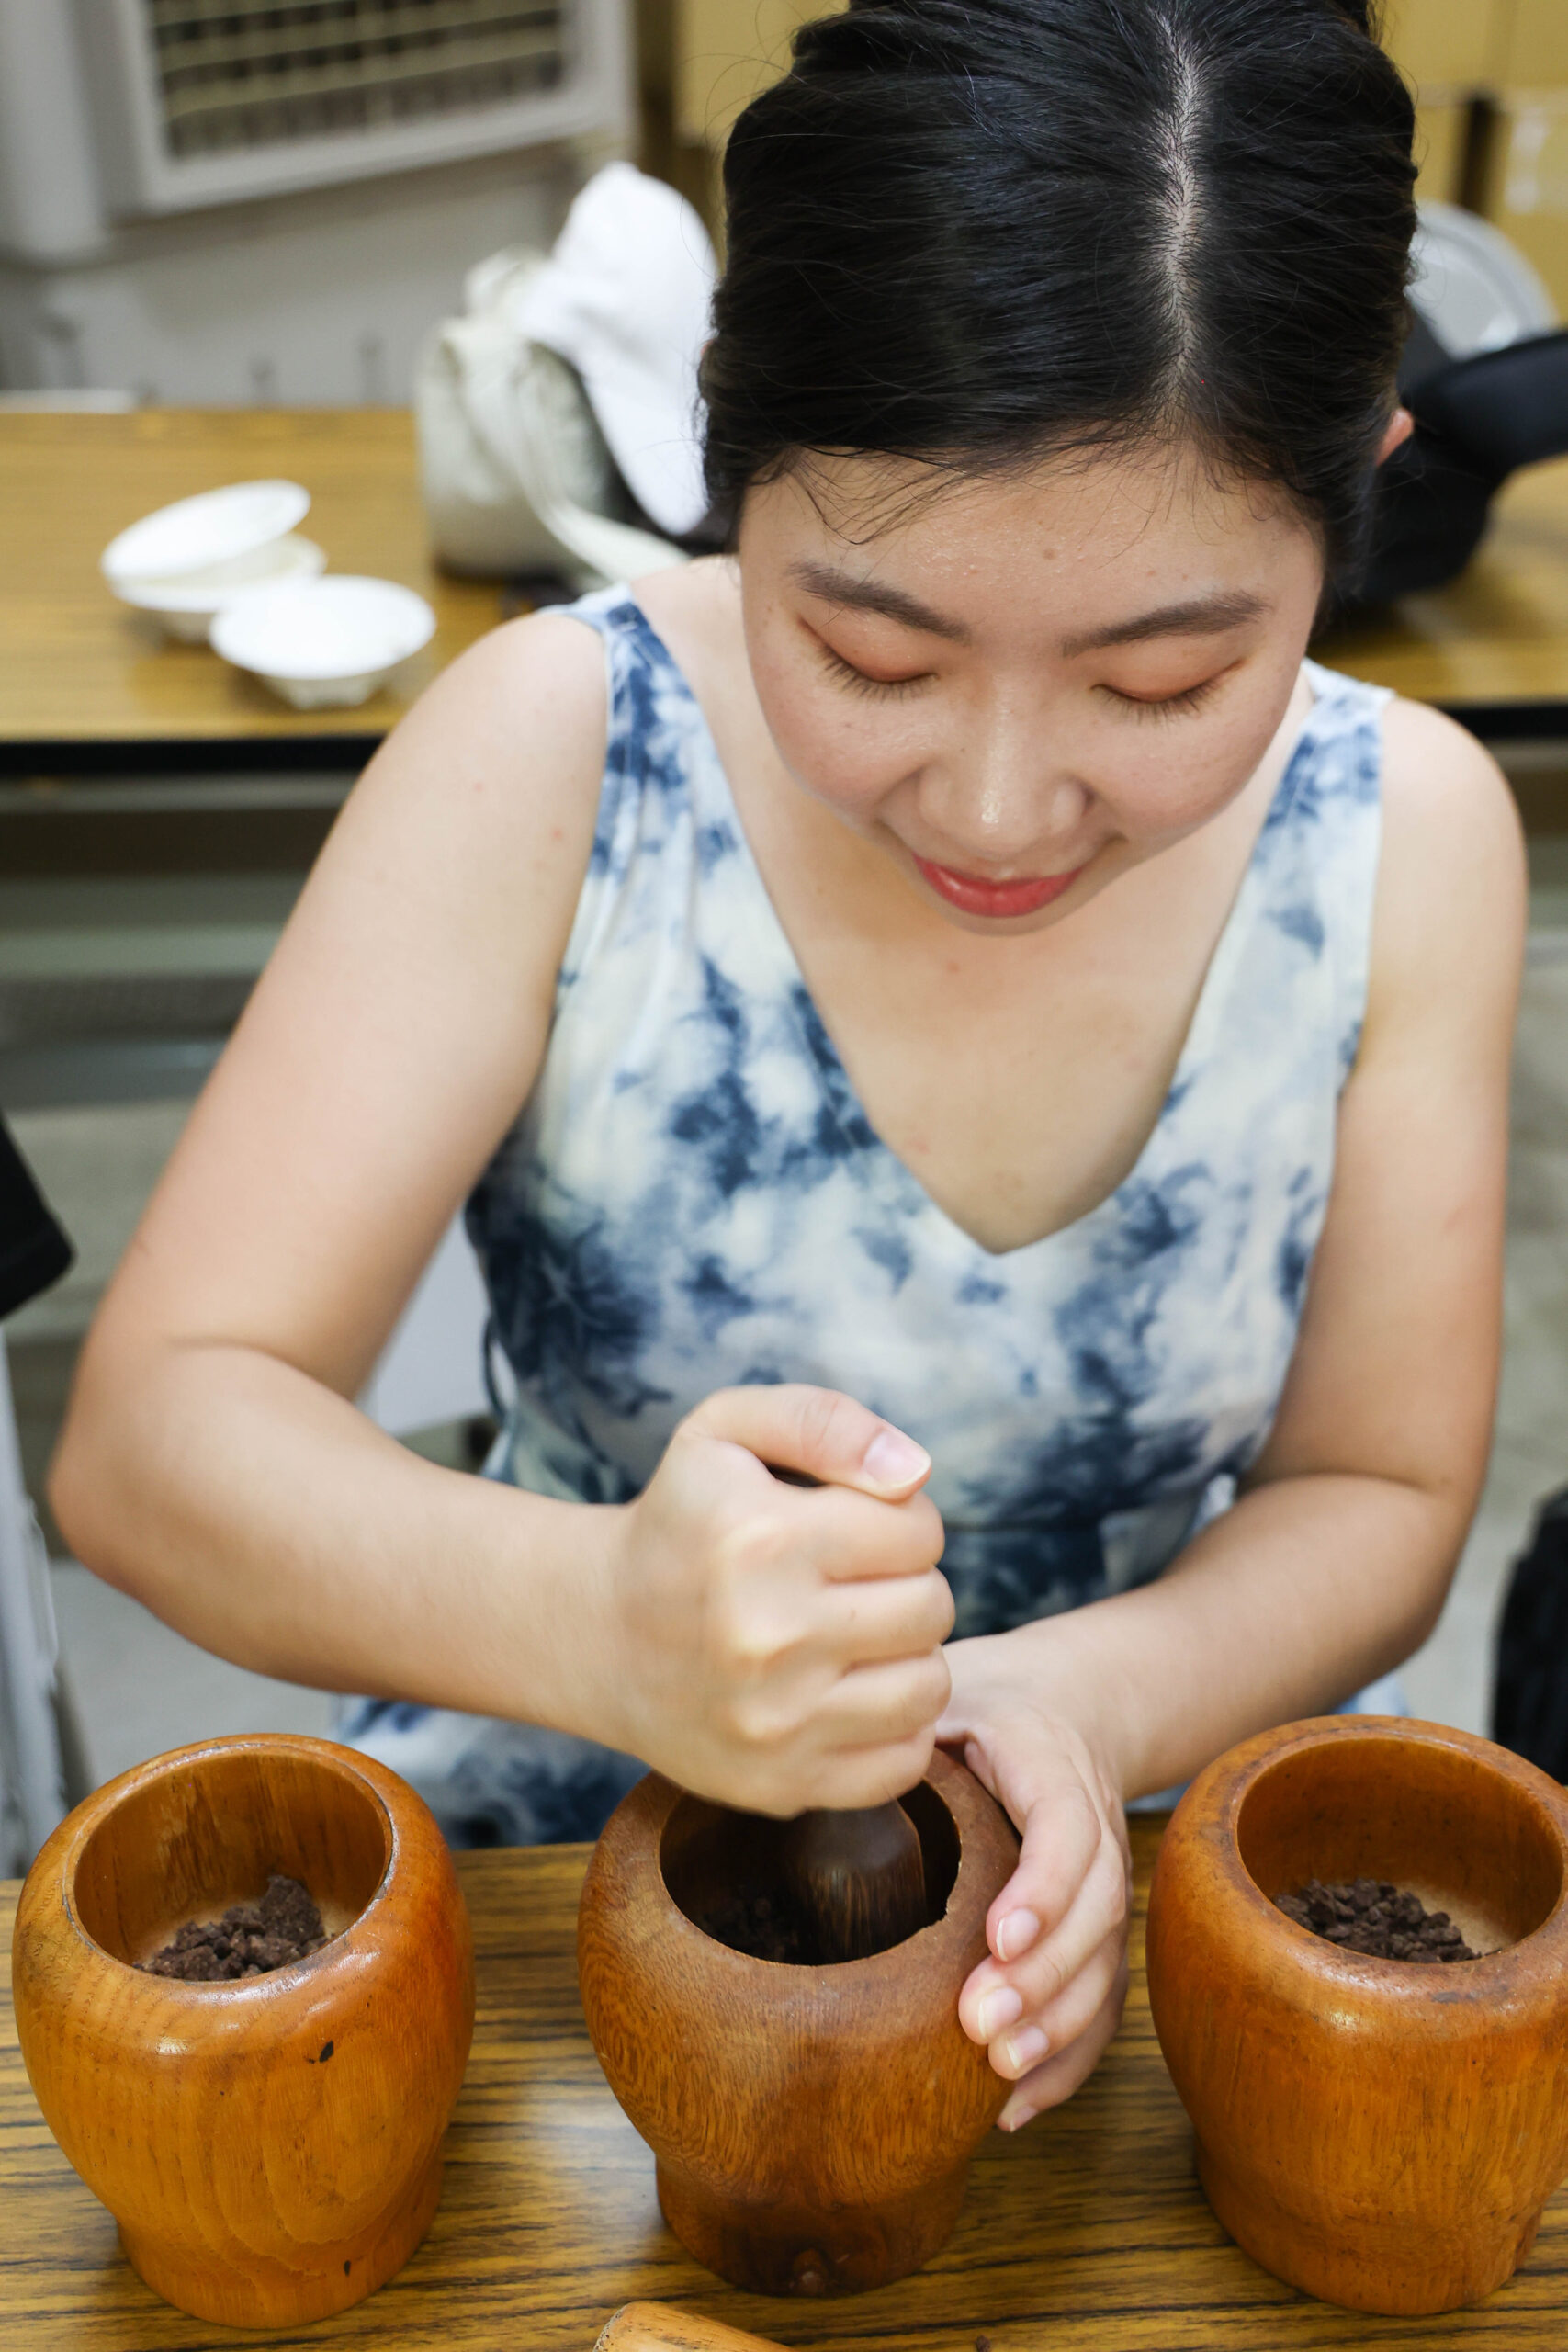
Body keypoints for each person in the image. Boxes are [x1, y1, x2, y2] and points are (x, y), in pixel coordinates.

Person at [52, 0, 1522, 2132]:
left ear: (1355, 507)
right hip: (587, 1865)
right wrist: (608, 1626)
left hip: (1141, 1868)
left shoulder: (1406, 830)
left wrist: (1049, 1706)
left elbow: (1374, 1489)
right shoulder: (560, 750)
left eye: (1164, 675)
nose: (1003, 806)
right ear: (729, 482)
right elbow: (154, 1440)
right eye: (869, 651)